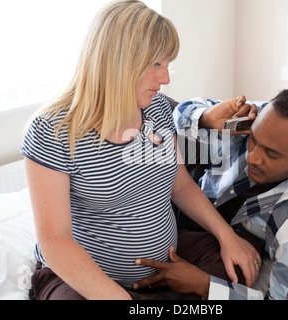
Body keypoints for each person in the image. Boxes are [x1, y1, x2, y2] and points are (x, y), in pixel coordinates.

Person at [21, 0, 259, 300]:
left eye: (168, 64)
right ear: (118, 62)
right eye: (156, 64)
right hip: (89, 278)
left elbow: (181, 185)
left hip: (166, 260)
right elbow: (54, 240)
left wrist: (227, 236)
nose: (166, 78)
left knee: (237, 271)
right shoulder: (52, 130)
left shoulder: (156, 108)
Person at [134, 87, 288, 300]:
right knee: (158, 107)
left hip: (232, 240)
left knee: (235, 272)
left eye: (271, 154)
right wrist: (206, 119)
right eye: (253, 139)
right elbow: (182, 111)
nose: (253, 157)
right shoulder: (264, 118)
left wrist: (203, 284)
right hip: (196, 194)